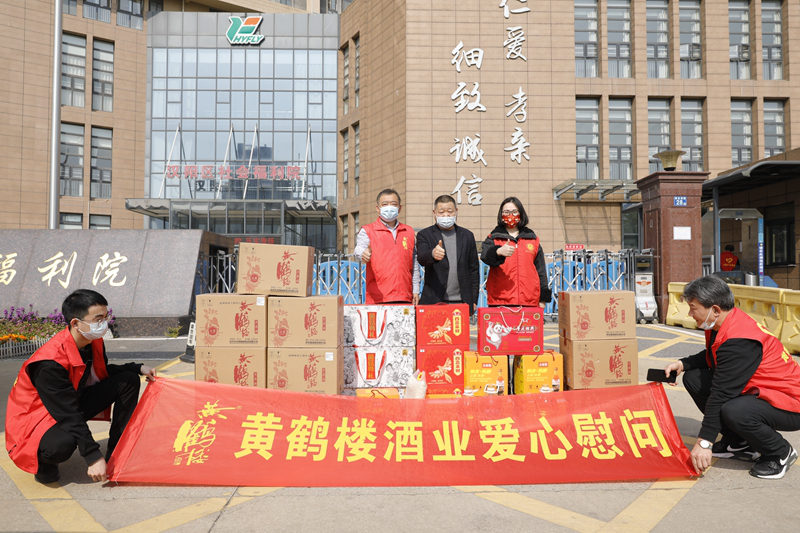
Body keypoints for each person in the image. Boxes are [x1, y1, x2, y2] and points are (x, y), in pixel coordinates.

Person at [5, 289, 156, 484]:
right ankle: (44, 463)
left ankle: (118, 450)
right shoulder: (49, 363)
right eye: (98, 319)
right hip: (36, 419)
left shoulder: (92, 341)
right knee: (61, 445)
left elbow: (98, 372)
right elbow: (68, 413)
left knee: (127, 380)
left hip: (67, 401)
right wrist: (93, 457)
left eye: (106, 317)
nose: (104, 323)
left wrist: (136, 368)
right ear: (75, 323)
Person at [663, 276, 800, 479]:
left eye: (693, 308)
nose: (690, 314)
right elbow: (715, 355)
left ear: (715, 309)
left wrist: (704, 442)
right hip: (763, 392)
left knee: (736, 411)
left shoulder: (740, 340)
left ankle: (779, 452)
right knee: (694, 378)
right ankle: (738, 443)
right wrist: (684, 364)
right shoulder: (724, 323)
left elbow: (721, 393)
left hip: (790, 402)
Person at [480, 196, 551, 307]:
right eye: (506, 212)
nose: (510, 215)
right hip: (500, 300)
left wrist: (543, 299)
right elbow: (484, 256)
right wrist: (498, 251)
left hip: (529, 300)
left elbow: (540, 270)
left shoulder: (532, 239)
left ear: (521, 214)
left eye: (514, 211)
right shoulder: (493, 237)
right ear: (501, 215)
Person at [354, 188, 420, 305]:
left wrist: (416, 290)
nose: (389, 207)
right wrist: (363, 254)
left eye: (393, 204)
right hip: (378, 298)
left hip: (405, 296)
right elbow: (359, 249)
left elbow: (414, 264)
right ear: (378, 209)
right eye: (385, 204)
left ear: (399, 208)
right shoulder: (367, 230)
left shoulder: (408, 231)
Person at [416, 194, 480, 314]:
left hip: (462, 302)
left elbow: (474, 270)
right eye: (441, 212)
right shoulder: (425, 234)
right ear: (434, 213)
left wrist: (474, 299)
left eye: (450, 211)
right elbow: (422, 258)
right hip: (434, 301)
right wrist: (432, 254)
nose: (446, 215)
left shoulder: (467, 236)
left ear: (456, 211)